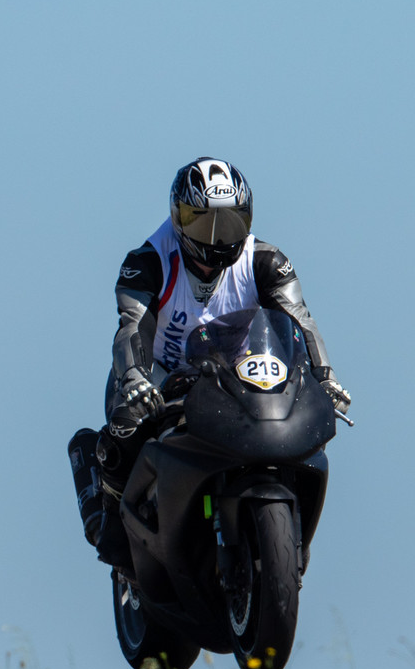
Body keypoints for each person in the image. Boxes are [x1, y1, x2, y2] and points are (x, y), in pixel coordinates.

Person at [69, 156, 351, 568]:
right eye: (203, 223)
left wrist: (326, 378)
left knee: (302, 423)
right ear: (178, 219)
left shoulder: (267, 261)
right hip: (161, 373)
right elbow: (132, 327)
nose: (218, 238)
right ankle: (110, 510)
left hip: (235, 375)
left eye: (231, 222)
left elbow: (300, 321)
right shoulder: (147, 262)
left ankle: (285, 537)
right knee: (125, 429)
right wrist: (134, 378)